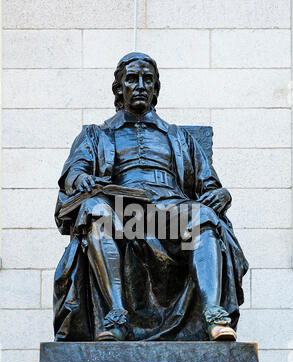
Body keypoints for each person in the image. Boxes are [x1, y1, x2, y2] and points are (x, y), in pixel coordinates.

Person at [54, 52, 248, 342]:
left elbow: (209, 185)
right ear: (119, 89)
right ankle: (117, 316)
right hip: (123, 213)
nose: (141, 85)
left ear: (156, 89)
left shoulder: (180, 137)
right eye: (132, 79)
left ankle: (213, 314)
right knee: (96, 211)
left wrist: (223, 193)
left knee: (205, 216)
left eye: (148, 80)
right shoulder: (97, 135)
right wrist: (81, 179)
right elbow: (74, 172)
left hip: (171, 214)